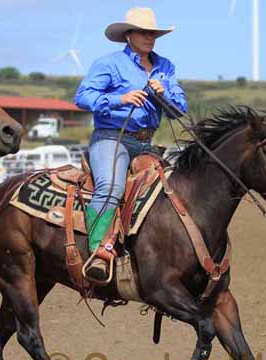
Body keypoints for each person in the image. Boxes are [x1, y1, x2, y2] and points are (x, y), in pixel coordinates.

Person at [75, 7, 187, 282]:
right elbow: (82, 97)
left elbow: (180, 109)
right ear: (128, 35)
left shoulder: (166, 67)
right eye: (144, 32)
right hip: (112, 138)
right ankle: (98, 252)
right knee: (111, 186)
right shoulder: (109, 64)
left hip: (147, 143)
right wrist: (120, 99)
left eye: (154, 33)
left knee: (172, 191)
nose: (150, 37)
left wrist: (165, 96)